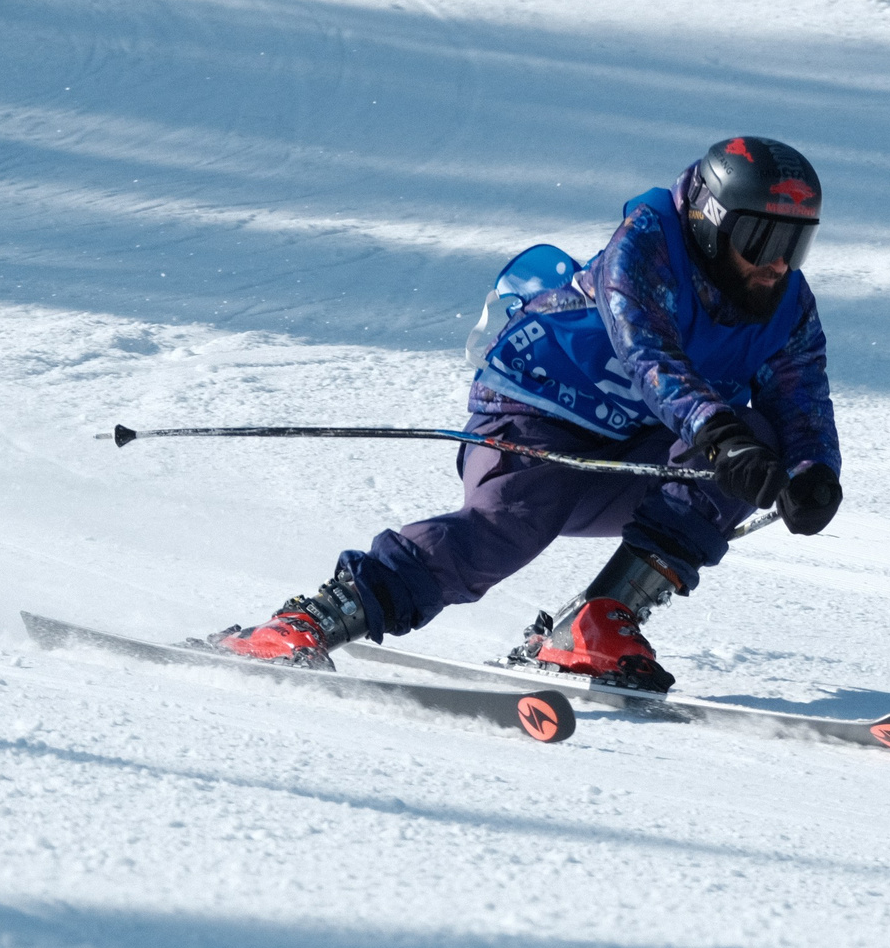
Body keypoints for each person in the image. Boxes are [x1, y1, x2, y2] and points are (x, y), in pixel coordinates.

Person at [213, 137, 845, 693]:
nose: (778, 263)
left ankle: (594, 623)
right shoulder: (649, 247)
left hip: (632, 447)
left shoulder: (786, 301)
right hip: (536, 412)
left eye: (796, 242)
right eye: (761, 239)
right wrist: (715, 431)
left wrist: (814, 473)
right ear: (710, 222)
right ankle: (312, 619)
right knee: (507, 529)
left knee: (757, 445)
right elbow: (647, 351)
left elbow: (802, 396)